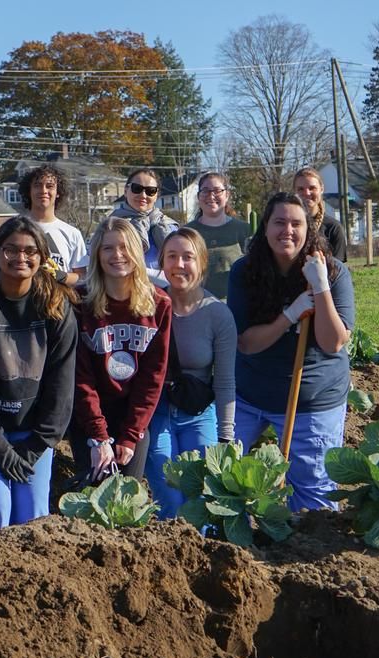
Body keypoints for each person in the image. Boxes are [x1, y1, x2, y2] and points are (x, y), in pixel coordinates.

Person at [0, 216, 78, 544]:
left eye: (30, 251)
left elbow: (61, 384)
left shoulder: (56, 304)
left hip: (31, 431)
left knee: (32, 518)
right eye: (11, 250)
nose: (20, 257)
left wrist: (36, 446)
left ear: (42, 256)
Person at [226, 192, 355, 512]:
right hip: (249, 393)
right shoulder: (244, 272)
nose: (287, 230)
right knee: (221, 475)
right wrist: (290, 315)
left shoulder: (335, 272)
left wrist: (321, 286)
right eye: (279, 222)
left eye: (296, 223)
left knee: (315, 498)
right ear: (265, 228)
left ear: (308, 230)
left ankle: (306, 550)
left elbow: (332, 343)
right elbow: (246, 343)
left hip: (312, 397)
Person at [145, 228, 238, 519]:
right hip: (157, 413)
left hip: (198, 415)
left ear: (202, 263)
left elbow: (224, 381)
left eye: (188, 257)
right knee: (168, 499)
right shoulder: (149, 306)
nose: (180, 264)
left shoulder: (217, 314)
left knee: (200, 499)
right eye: (172, 256)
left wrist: (226, 437)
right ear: (161, 262)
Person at [72, 217, 172, 484]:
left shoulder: (159, 303)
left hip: (132, 415)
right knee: (91, 497)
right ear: (97, 255)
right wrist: (98, 436)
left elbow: (153, 376)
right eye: (107, 248)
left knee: (126, 499)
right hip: (88, 416)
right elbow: (80, 376)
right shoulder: (79, 303)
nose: (117, 255)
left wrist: (130, 435)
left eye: (124, 247)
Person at [104, 168, 178, 287]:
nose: (143, 195)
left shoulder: (170, 228)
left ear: (157, 195)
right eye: (137, 189)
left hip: (166, 296)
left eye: (150, 191)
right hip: (122, 293)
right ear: (126, 190)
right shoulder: (110, 227)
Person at [19, 164, 87, 286]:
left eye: (49, 186)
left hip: (59, 302)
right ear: (29, 191)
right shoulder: (15, 229)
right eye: (37, 185)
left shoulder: (72, 233)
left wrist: (62, 277)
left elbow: (82, 276)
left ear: (58, 192)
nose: (43, 190)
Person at [185, 172, 249, 299]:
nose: (211, 196)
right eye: (205, 191)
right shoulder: (187, 232)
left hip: (235, 305)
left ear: (227, 195)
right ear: (198, 196)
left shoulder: (244, 230)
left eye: (217, 191)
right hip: (197, 305)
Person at [292, 167, 348, 262]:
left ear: (321, 189)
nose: (307, 193)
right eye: (301, 189)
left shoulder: (333, 228)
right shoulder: (286, 226)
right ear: (294, 192)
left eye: (312, 188)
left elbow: (339, 272)